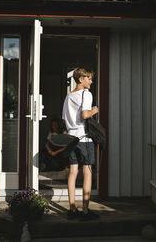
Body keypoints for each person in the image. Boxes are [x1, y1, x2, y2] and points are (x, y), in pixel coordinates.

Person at [62, 67, 99, 221]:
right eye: (89, 78)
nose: (91, 81)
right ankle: (85, 211)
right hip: (83, 138)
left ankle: (72, 209)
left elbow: (65, 120)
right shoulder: (86, 94)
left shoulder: (68, 96)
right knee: (88, 172)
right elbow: (85, 114)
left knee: (72, 172)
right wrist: (94, 110)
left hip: (71, 138)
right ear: (80, 79)